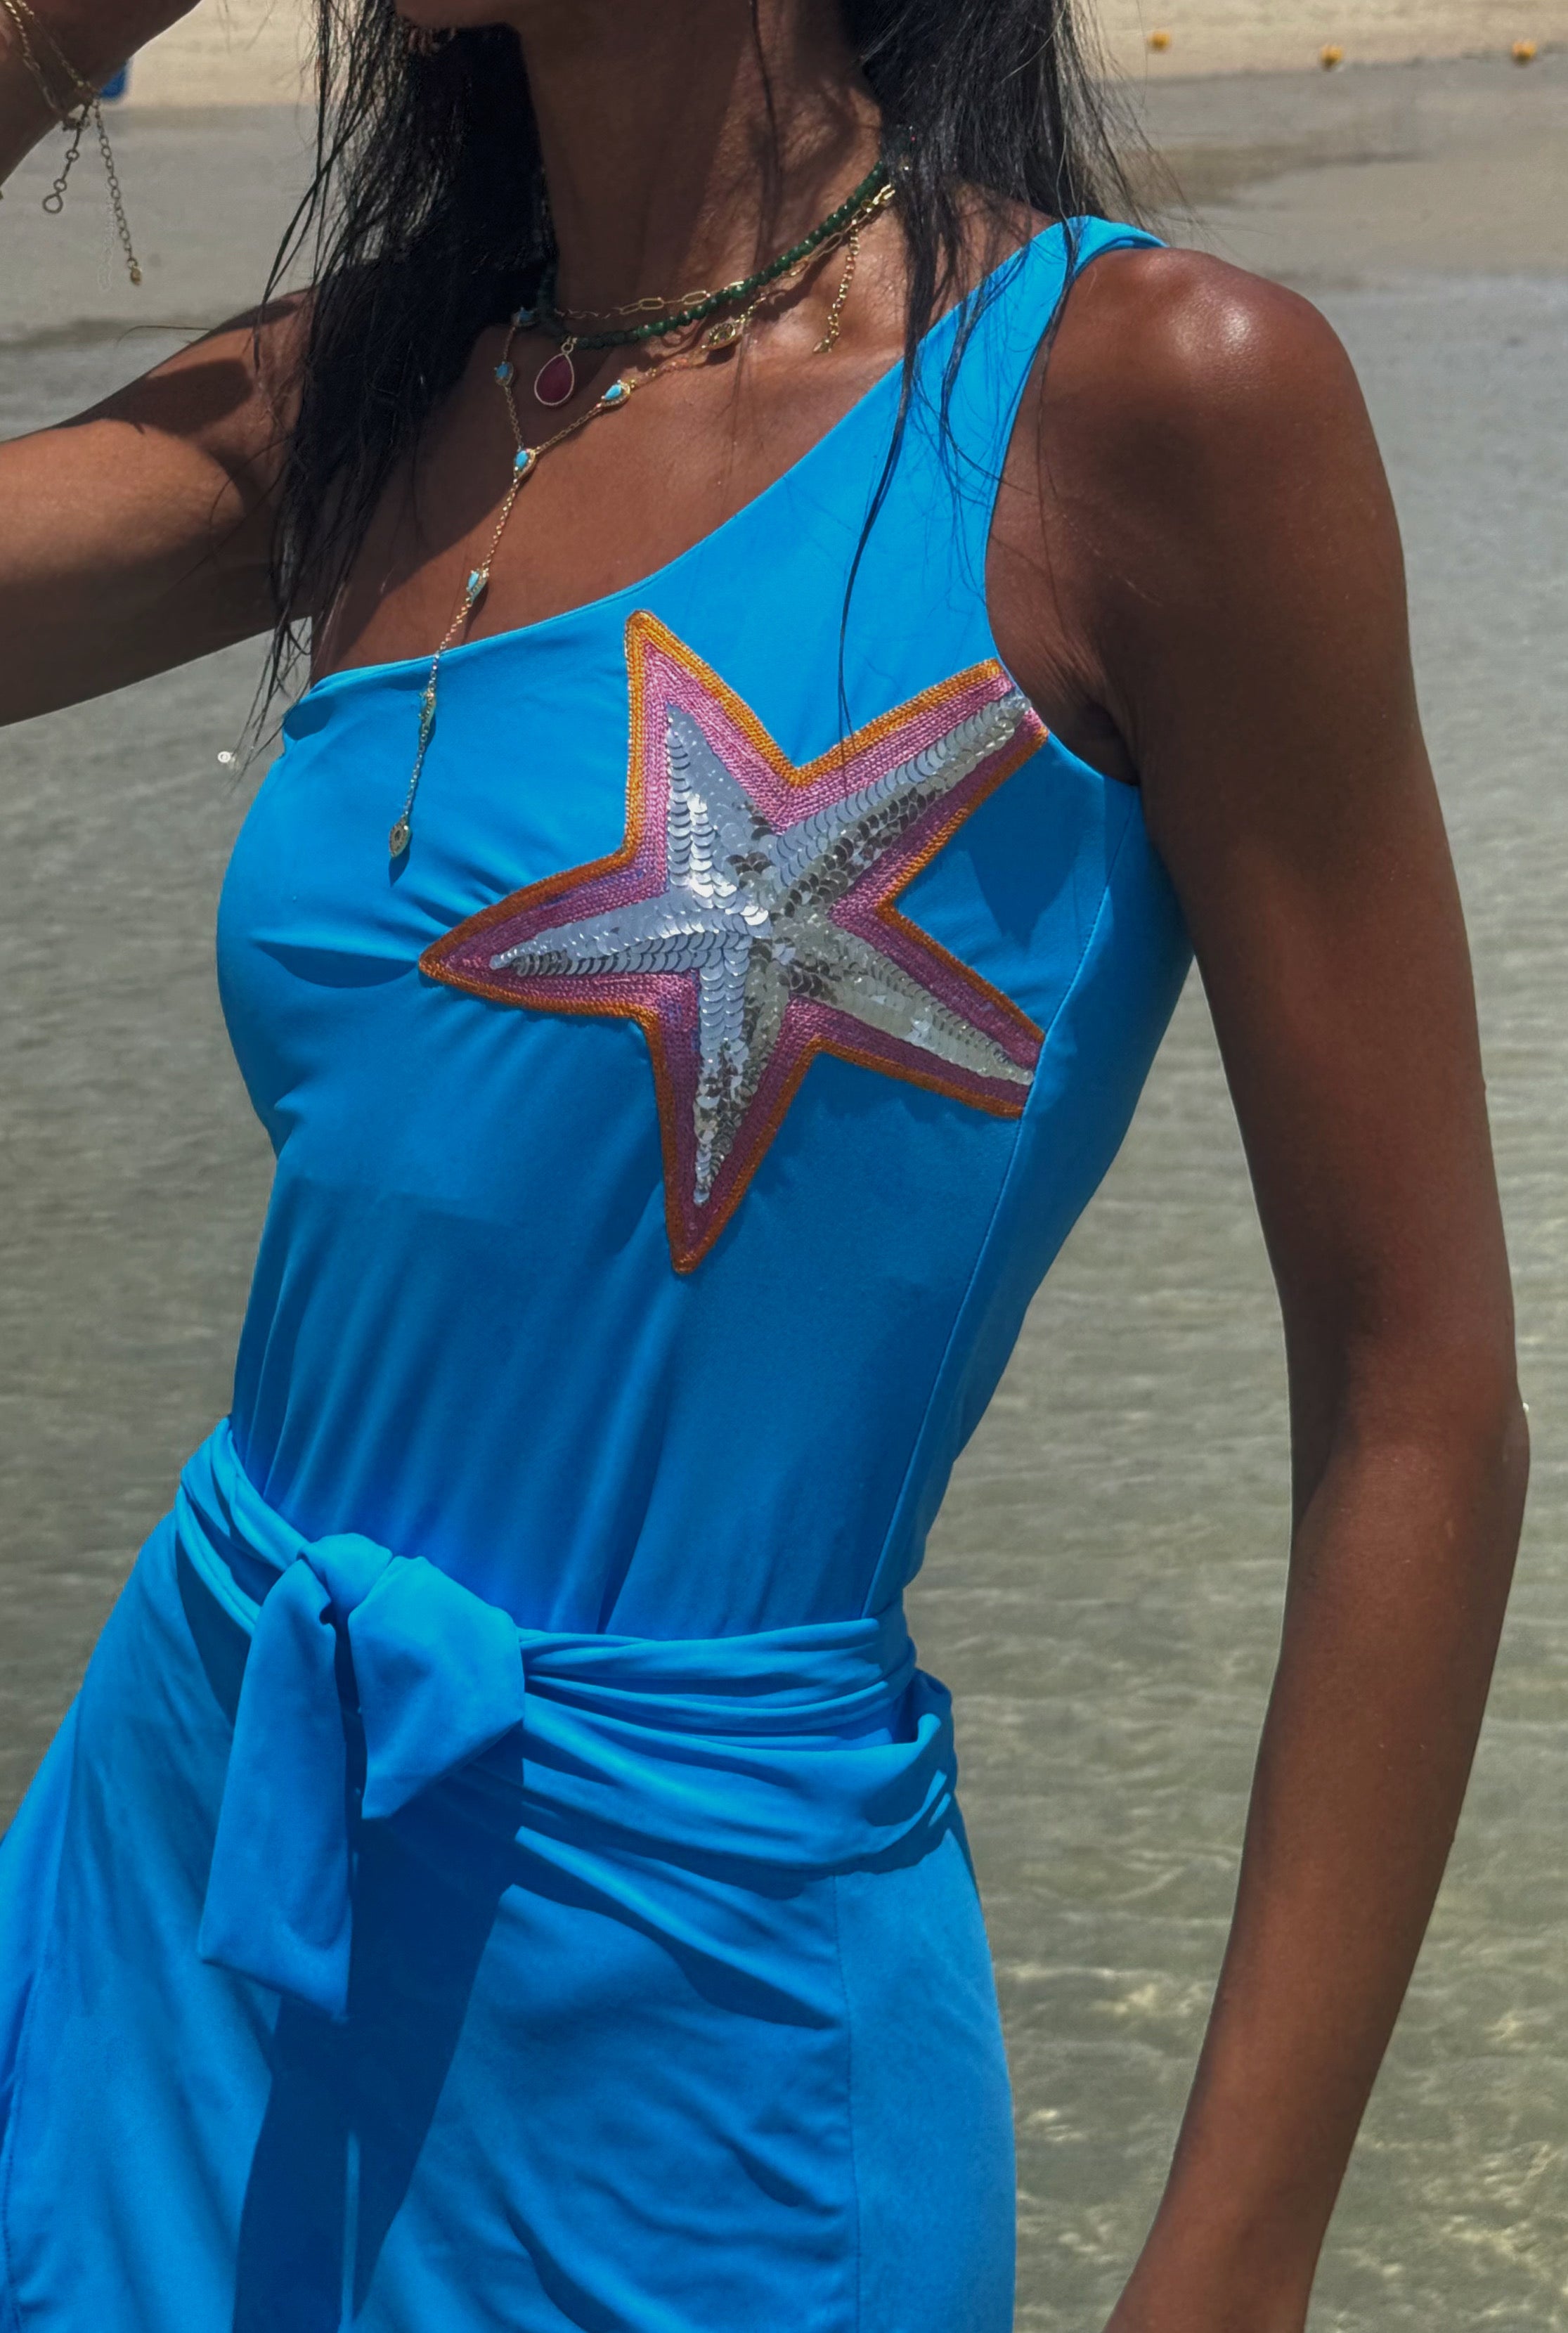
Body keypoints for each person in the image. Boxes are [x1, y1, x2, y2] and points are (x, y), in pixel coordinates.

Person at [0, 1, 1529, 2328]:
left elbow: (1422, 1391)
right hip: (184, 1875)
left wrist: (1234, 2261)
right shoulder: (387, 394)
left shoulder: (1142, 404)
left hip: (692, 2020)